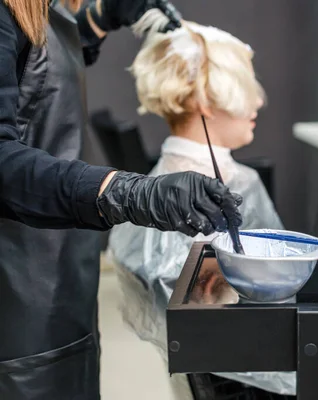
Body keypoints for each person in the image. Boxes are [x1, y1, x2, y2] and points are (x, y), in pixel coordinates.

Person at [0, 1, 243, 399]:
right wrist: (123, 192)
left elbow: (34, 74)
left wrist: (98, 19)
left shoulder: (40, 9)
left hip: (61, 266)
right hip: (14, 282)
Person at [106, 10, 284, 399]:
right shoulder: (214, 192)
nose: (257, 102)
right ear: (206, 99)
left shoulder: (159, 182)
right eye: (245, 89)